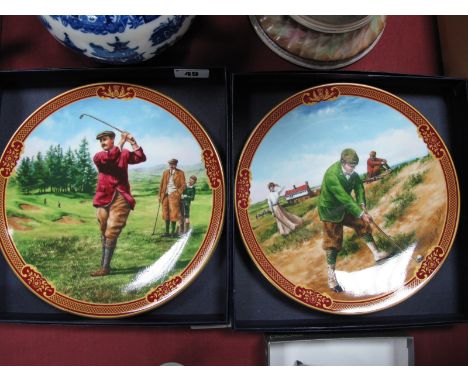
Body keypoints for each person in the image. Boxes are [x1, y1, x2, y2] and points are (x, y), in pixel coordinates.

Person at [318, 148, 390, 293]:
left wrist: (362, 206)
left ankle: (377, 254)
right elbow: (343, 197)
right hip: (330, 211)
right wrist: (360, 213)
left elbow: (359, 188)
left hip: (346, 207)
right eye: (351, 166)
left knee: (362, 225)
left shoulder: (353, 173)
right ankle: (332, 279)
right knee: (332, 243)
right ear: (343, 162)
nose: (353, 169)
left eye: (355, 166)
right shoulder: (332, 175)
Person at [91, 130, 146, 276]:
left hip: (120, 196)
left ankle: (105, 268)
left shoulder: (124, 153)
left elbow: (141, 158)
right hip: (103, 197)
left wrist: (133, 142)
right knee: (103, 229)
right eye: (101, 140)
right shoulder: (99, 157)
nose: (102, 142)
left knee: (112, 230)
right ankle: (105, 266)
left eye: (105, 139)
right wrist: (122, 142)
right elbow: (111, 158)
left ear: (112, 140)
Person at [159, 158, 186, 238]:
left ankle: (173, 233)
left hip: (174, 195)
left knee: (174, 214)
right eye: (170, 164)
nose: (171, 166)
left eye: (173, 164)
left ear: (176, 165)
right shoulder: (165, 172)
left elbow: (184, 185)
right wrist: (160, 196)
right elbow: (161, 185)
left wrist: (178, 193)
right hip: (165, 196)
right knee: (165, 213)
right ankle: (167, 233)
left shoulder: (180, 173)